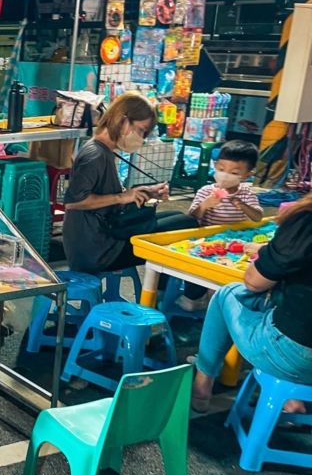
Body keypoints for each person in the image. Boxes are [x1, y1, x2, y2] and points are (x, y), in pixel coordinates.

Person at [191, 193, 312, 413]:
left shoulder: (305, 222)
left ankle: (202, 384)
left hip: (295, 357)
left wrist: (268, 253)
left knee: (226, 294)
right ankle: (292, 400)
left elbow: (254, 282)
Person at [62, 92, 194, 274]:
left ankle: (164, 292)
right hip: (98, 251)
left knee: (179, 217)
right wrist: (121, 197)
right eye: (141, 129)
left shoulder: (104, 151)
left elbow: (105, 195)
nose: (141, 137)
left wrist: (146, 192)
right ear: (122, 120)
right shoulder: (95, 154)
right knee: (186, 225)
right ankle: (174, 295)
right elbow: (73, 202)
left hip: (105, 236)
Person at [178, 139, 264, 311]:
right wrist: (204, 205)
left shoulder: (246, 194)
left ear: (247, 175)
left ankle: (218, 302)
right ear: (215, 165)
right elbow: (191, 219)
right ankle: (195, 295)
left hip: (233, 241)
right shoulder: (205, 191)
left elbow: (258, 216)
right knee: (194, 267)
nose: (226, 175)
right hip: (207, 240)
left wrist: (243, 206)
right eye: (222, 169)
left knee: (227, 276)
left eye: (234, 172)